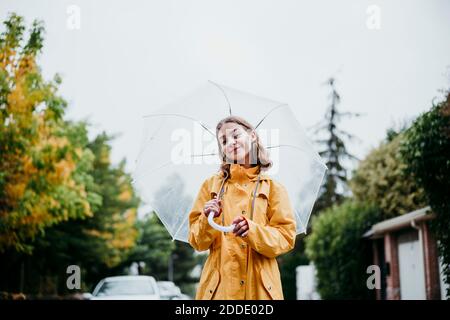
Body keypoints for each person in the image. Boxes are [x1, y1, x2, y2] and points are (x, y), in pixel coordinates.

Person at [188, 115, 296, 300]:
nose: (231, 142)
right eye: (224, 140)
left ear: (252, 136)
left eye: (236, 135)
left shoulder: (274, 189)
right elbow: (197, 242)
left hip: (259, 293)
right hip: (219, 292)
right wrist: (206, 218)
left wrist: (252, 230)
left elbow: (285, 238)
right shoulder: (210, 186)